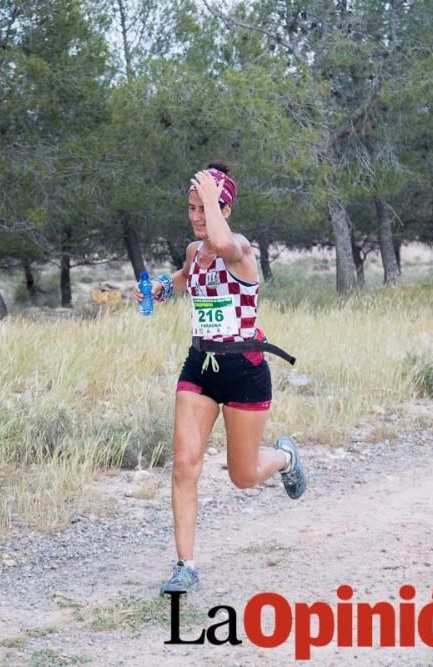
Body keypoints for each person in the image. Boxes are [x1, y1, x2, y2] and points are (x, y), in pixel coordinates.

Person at [134, 161, 307, 595]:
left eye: (204, 207)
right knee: (184, 465)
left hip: (245, 372)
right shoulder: (195, 253)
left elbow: (224, 242)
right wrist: (156, 288)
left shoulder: (240, 249)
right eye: (190, 207)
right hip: (201, 368)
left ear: (224, 209)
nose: (195, 216)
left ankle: (286, 458)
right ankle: (185, 566)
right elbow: (181, 279)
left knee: (243, 476)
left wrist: (213, 195)